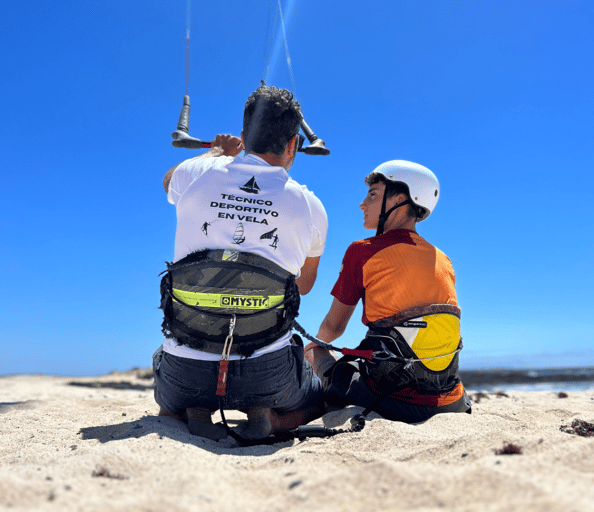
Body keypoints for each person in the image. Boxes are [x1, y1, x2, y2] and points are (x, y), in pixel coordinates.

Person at [154, 84, 328, 441]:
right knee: (319, 398)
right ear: (293, 144)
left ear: (245, 136)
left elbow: (168, 180)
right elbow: (304, 286)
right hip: (266, 373)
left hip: (185, 373)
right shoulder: (311, 207)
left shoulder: (197, 173)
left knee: (166, 368)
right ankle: (269, 416)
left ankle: (192, 407)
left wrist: (216, 152)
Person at [305, 160, 471, 423]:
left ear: (400, 200)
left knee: (314, 351)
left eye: (372, 195)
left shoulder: (362, 251)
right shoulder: (444, 260)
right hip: (451, 400)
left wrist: (313, 347)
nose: (362, 204)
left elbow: (333, 328)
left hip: (388, 397)